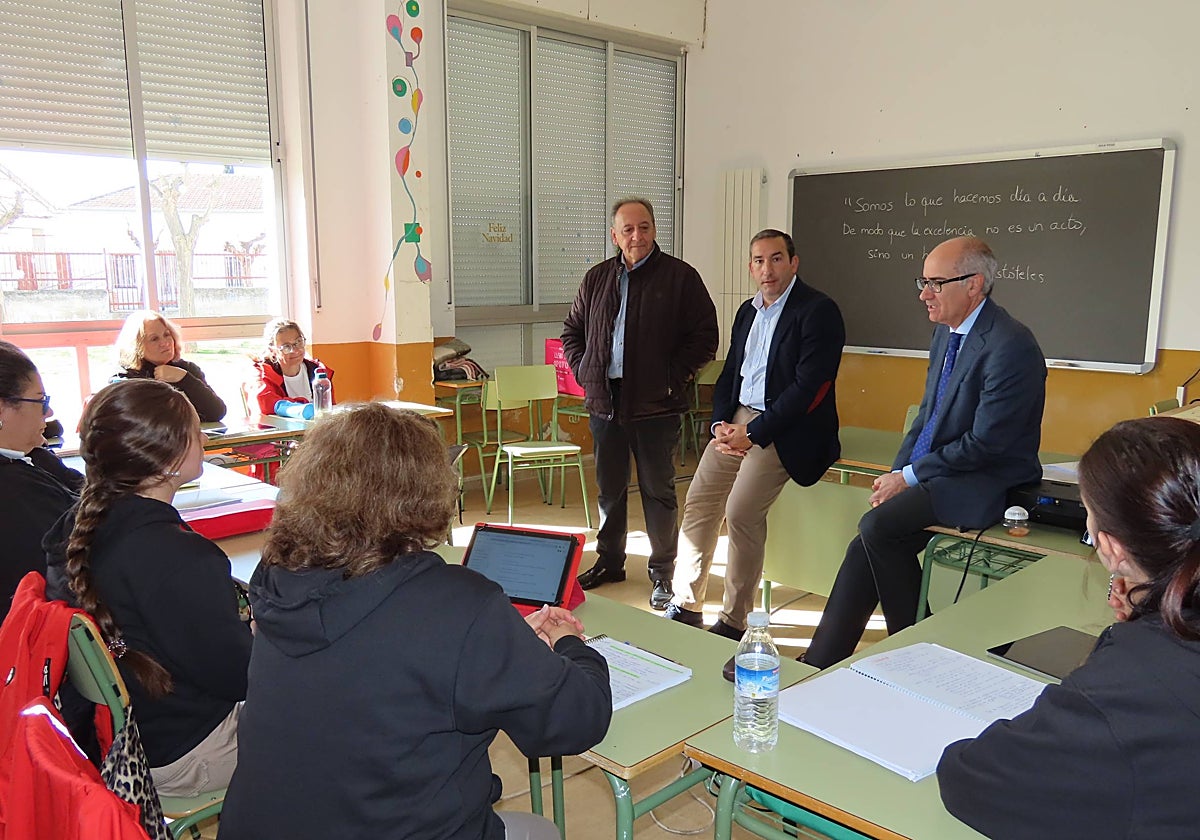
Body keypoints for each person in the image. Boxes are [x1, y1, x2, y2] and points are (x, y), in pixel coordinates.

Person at [219, 404, 611, 840]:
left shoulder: (276, 577)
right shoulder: (457, 604)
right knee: (541, 831)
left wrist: (504, 644)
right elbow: (576, 720)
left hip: (261, 825)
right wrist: (571, 647)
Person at [938, 416, 1200, 838]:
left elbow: (970, 777)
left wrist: (1130, 645)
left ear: (1111, 548)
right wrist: (1153, 609)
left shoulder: (1125, 690)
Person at [804, 236, 1046, 669]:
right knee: (871, 536)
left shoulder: (1011, 345)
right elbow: (927, 417)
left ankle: (920, 651)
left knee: (877, 530)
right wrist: (897, 475)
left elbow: (986, 444)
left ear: (973, 285)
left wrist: (911, 477)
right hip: (947, 469)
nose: (923, 294)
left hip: (990, 478)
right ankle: (822, 661)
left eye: (935, 283)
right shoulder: (946, 334)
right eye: (923, 281)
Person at [44, 379, 251, 796]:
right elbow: (241, 679)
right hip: (188, 753)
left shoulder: (78, 525)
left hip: (131, 739)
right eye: (196, 432)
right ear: (168, 458)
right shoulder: (175, 557)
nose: (204, 439)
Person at [664, 230, 845, 642]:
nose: (768, 269)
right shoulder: (747, 311)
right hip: (739, 420)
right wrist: (720, 424)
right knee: (699, 502)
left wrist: (755, 432)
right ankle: (687, 604)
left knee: (742, 511)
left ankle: (733, 620)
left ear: (793, 263)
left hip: (787, 426)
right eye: (759, 261)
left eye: (777, 259)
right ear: (751, 268)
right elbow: (731, 373)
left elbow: (808, 387)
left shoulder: (818, 311)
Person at [562, 197, 718, 609]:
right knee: (609, 491)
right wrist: (584, 370)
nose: (637, 236)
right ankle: (610, 560)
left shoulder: (680, 277)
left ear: (654, 230)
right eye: (628, 229)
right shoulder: (596, 278)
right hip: (604, 402)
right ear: (614, 235)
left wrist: (671, 377)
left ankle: (663, 572)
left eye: (644, 227)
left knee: (657, 491)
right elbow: (572, 331)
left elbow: (705, 336)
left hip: (656, 405)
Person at [0, 341, 83, 620]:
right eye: (41, 401)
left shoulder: (29, 459)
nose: (48, 413)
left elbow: (80, 488)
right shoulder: (15, 490)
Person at [112, 309, 227, 422]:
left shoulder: (187, 369)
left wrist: (185, 379)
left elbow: (216, 412)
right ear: (137, 346)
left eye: (167, 335)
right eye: (154, 339)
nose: (165, 343)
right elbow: (151, 423)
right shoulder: (125, 379)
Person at [248, 317, 335, 416]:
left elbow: (329, 409)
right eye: (286, 347)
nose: (295, 350)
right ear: (272, 350)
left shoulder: (318, 371)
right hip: (278, 430)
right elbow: (265, 404)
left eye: (298, 342)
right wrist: (302, 408)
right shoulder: (262, 374)